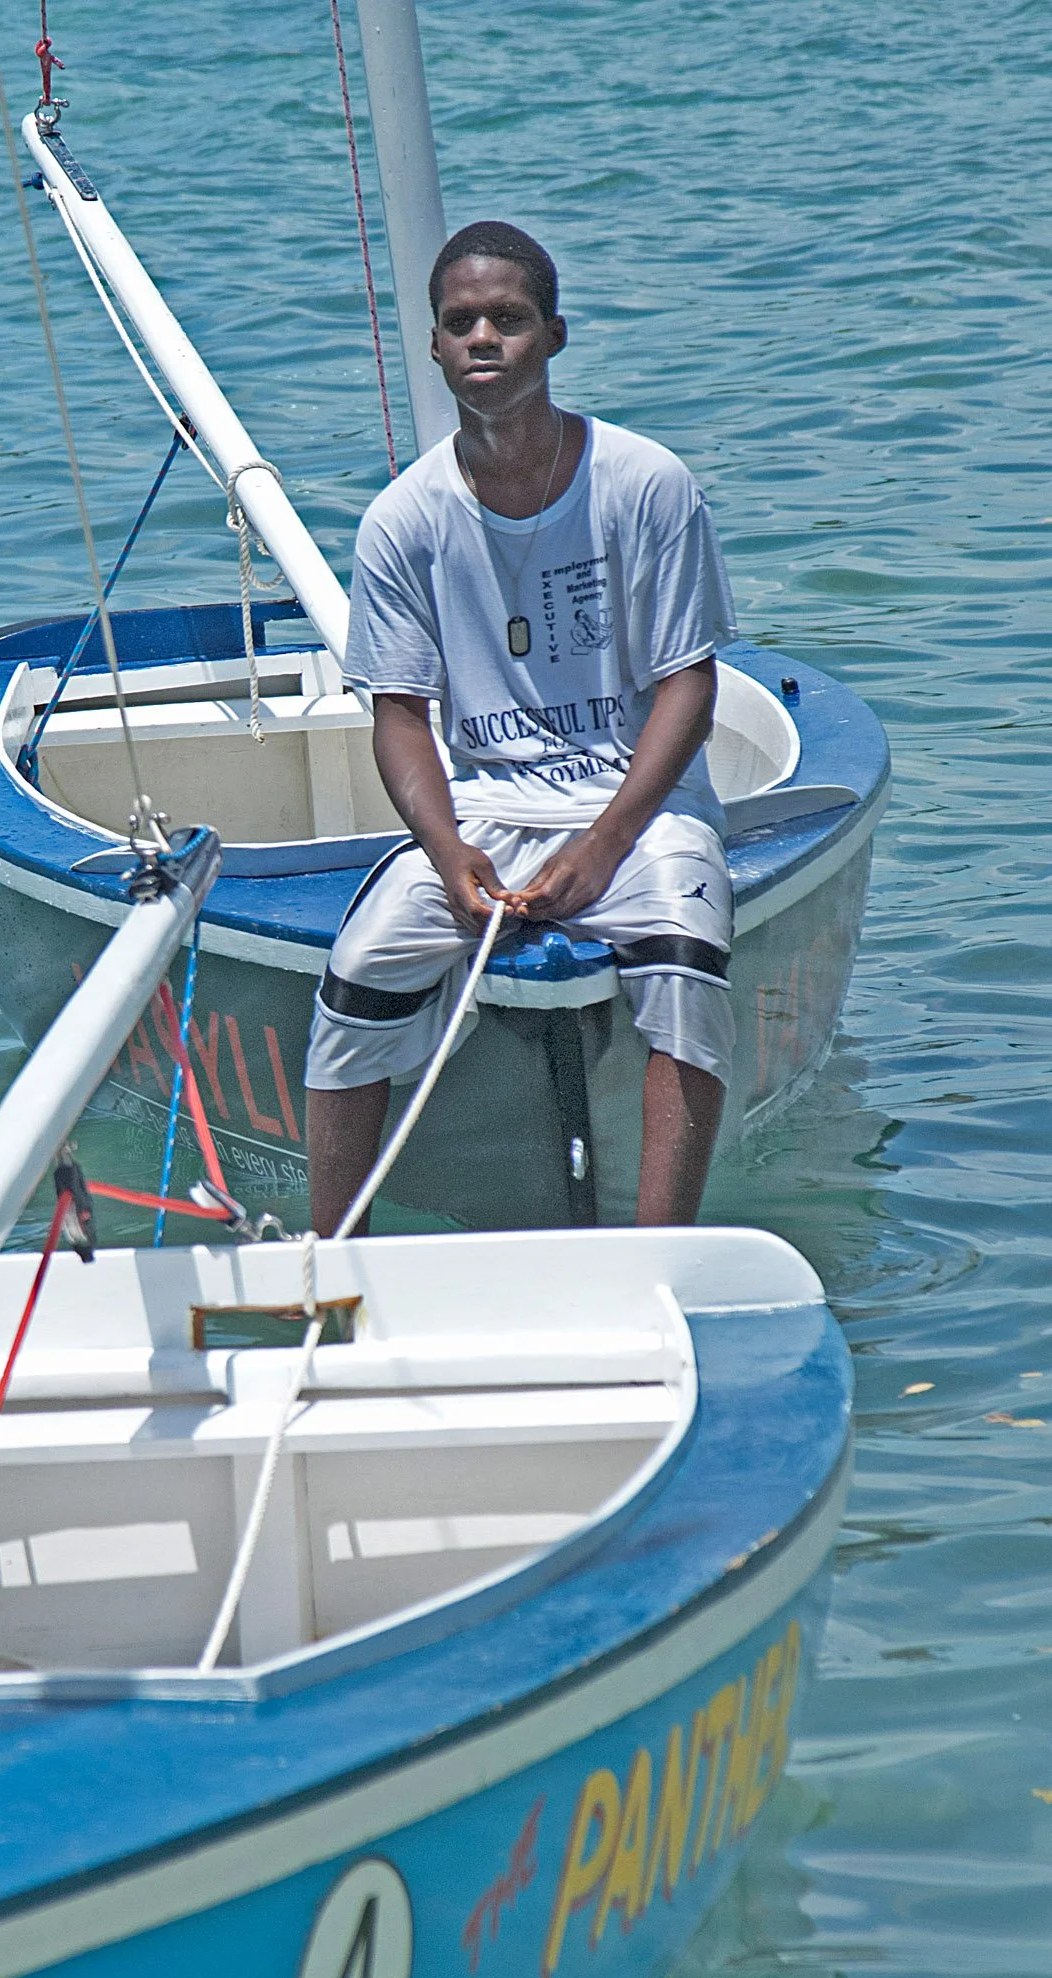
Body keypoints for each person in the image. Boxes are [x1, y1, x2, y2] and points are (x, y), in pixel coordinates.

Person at [305, 218, 737, 1235]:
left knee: (684, 954)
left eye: (508, 318)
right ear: (435, 348)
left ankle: (657, 1256)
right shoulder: (404, 520)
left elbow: (688, 687)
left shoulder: (646, 485)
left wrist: (603, 844)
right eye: (461, 323)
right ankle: (333, 1266)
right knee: (358, 971)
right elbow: (402, 715)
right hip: (488, 808)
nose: (484, 339)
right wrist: (447, 850)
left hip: (641, 809)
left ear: (554, 334)